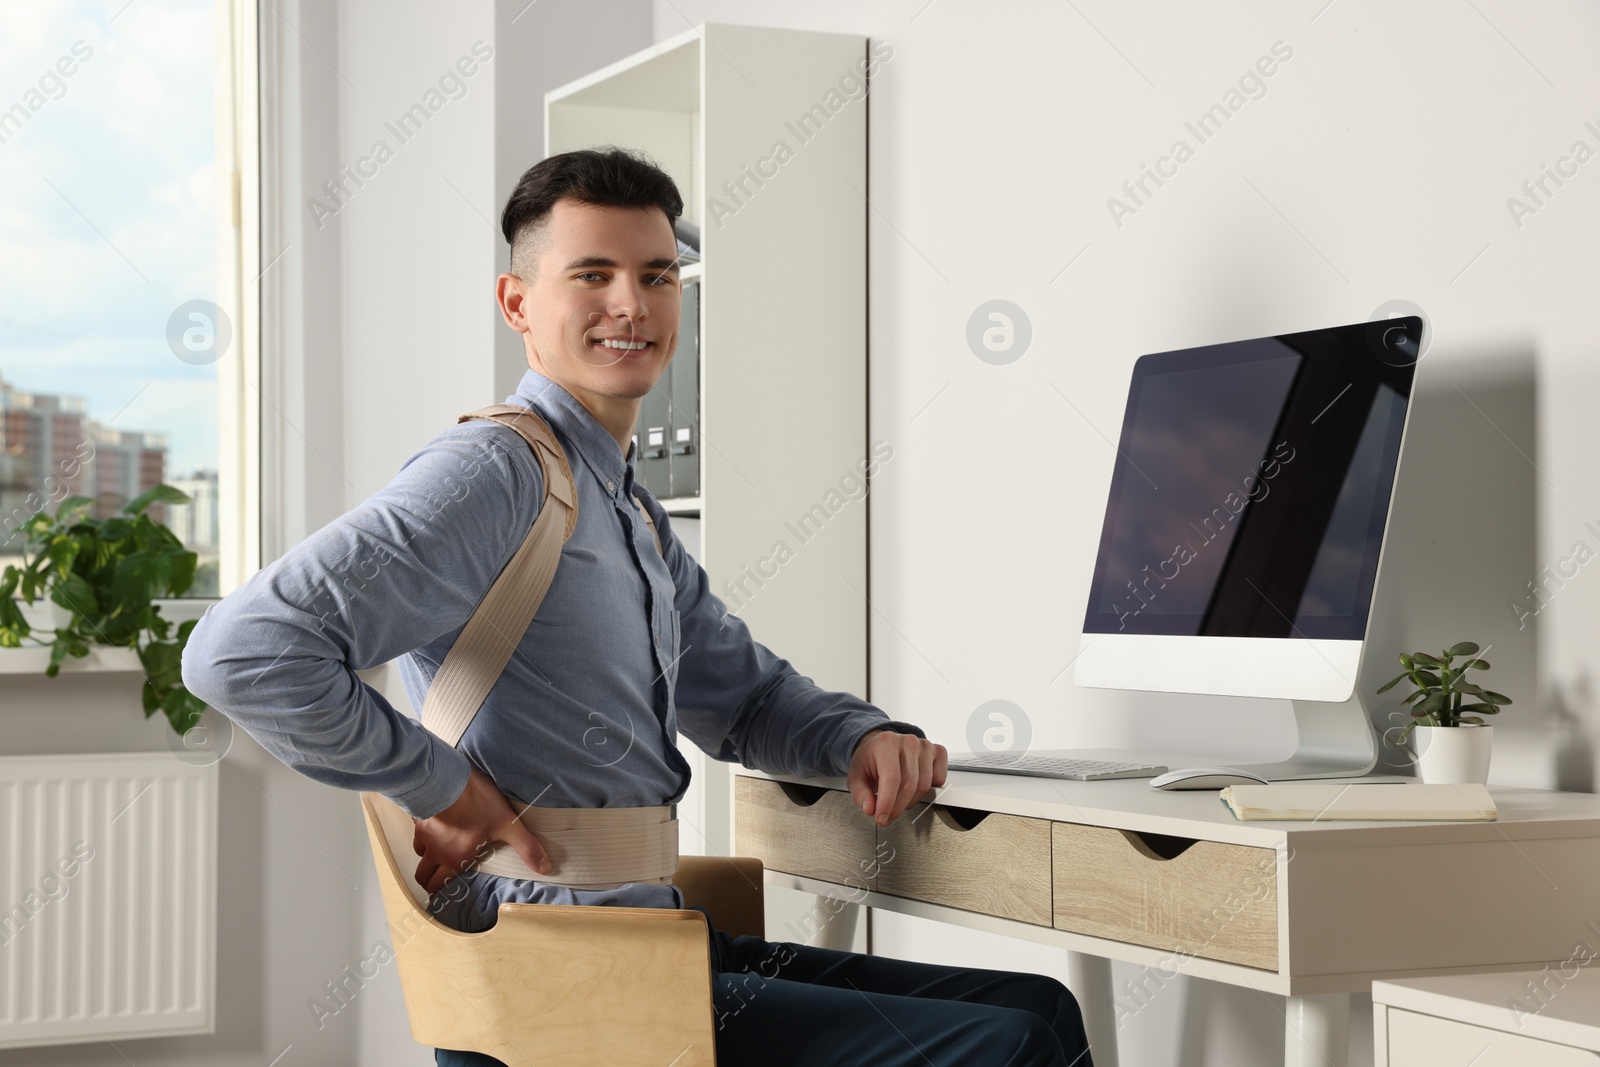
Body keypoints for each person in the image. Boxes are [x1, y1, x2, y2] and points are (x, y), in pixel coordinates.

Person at [180, 146, 1093, 1067]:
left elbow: (742, 700)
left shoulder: (626, 507)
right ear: (517, 303)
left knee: (1043, 1008)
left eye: (657, 275)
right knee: (1006, 1046)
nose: (633, 303)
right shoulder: (493, 476)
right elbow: (241, 651)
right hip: (562, 975)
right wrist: (443, 784)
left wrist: (862, 736)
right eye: (593, 274)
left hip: (643, 935)